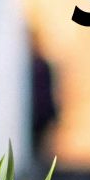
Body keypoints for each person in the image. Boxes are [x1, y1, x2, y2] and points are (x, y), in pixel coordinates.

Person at [30, 36, 60, 164]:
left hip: (40, 111)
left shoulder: (41, 65)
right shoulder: (30, 66)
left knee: (40, 144)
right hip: (36, 112)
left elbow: (49, 89)